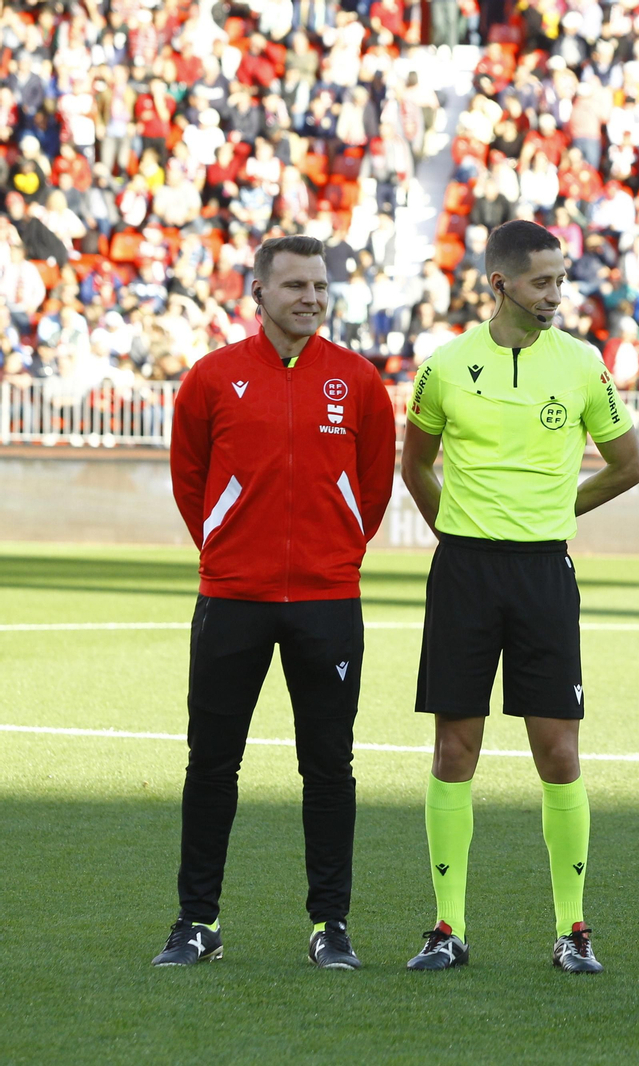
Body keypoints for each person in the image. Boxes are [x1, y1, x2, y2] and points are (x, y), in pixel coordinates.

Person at [400, 220, 639, 974]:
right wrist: (456, 529)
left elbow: (628, 465)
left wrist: (558, 513)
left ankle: (573, 931)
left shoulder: (582, 365)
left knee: (558, 752)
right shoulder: (444, 366)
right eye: (543, 281)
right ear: (500, 284)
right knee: (454, 750)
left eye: (561, 280)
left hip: (544, 574)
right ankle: (447, 928)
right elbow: (414, 465)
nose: (556, 294)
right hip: (464, 573)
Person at [157, 235, 396, 969]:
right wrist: (230, 550)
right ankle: (197, 922)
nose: (310, 298)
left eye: (319, 285)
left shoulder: (356, 382)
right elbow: (190, 481)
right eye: (294, 285)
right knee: (212, 763)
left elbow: (376, 485)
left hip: (327, 600)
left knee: (329, 766)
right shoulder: (210, 378)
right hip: (232, 598)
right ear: (257, 293)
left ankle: (331, 925)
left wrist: (337, 551)